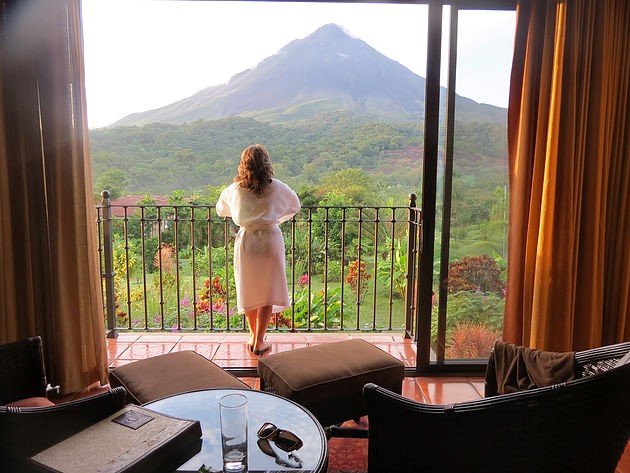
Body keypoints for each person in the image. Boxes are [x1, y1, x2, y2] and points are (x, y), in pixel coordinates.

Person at [216, 144, 300, 356]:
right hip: (270, 240)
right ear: (266, 163)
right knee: (268, 291)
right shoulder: (278, 187)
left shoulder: (234, 190)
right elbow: (295, 205)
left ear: (243, 164)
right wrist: (275, 218)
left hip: (248, 242)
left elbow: (221, 210)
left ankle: (253, 337)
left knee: (249, 289)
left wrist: (246, 215)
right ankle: (260, 340)